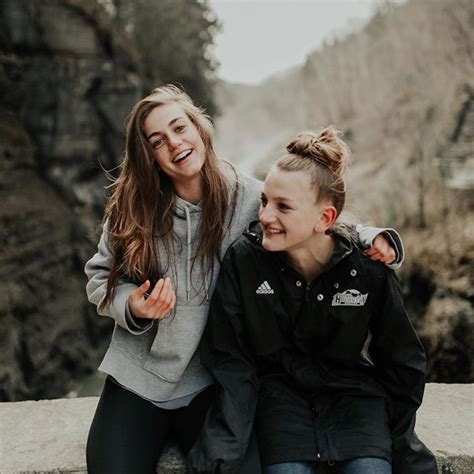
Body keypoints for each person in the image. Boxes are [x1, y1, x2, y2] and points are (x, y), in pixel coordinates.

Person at [84, 85, 404, 473]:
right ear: (147, 156)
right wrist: (132, 304)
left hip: (211, 379)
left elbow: (313, 220)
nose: (175, 143)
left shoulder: (251, 199)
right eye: (157, 141)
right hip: (139, 378)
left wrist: (370, 236)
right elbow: (100, 277)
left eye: (179, 128)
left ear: (199, 128)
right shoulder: (132, 210)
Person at [188, 127, 438, 474]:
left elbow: (402, 358)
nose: (264, 216)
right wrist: (226, 444)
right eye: (264, 201)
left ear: (325, 219)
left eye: (283, 207)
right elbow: (228, 356)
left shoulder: (367, 268)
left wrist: (396, 433)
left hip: (355, 401)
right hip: (280, 405)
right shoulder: (244, 261)